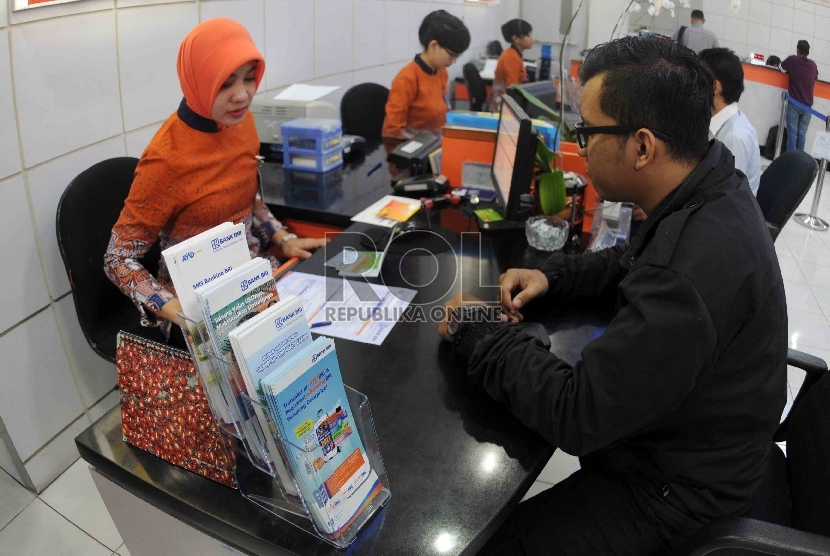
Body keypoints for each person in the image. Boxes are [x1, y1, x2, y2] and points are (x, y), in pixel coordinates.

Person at [438, 35, 786, 555]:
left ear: (643, 146)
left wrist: (479, 331)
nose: (580, 147)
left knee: (487, 546)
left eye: (587, 132)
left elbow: (577, 415)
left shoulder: (687, 274)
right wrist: (555, 277)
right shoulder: (708, 186)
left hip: (676, 493)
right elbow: (631, 260)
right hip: (692, 446)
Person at [104, 18, 327, 339]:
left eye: (250, 79)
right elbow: (118, 260)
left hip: (253, 280)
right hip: (196, 304)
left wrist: (282, 238)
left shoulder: (241, 122)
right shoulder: (165, 159)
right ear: (198, 81)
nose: (242, 95)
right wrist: (178, 311)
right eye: (225, 84)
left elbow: (248, 197)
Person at [382, 10, 470, 139]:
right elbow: (392, 131)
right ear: (433, 46)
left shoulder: (441, 72)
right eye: (452, 55)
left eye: (458, 55)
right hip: (415, 150)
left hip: (436, 144)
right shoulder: (407, 78)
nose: (455, 60)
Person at [699, 48, 761, 195]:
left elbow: (725, 202)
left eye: (697, 78)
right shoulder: (719, 120)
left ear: (715, 87)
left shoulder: (733, 138)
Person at [781, 40, 819, 151]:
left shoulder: (792, 60)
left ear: (797, 49)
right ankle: (799, 163)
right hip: (808, 107)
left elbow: (781, 68)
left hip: (794, 103)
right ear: (808, 51)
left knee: (792, 134)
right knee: (802, 135)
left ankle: (791, 161)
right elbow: (816, 77)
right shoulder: (813, 65)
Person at [488, 19, 533, 109]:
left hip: (504, 102)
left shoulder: (513, 54)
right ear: (516, 39)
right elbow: (512, 89)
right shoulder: (511, 57)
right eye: (527, 35)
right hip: (502, 106)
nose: (531, 38)